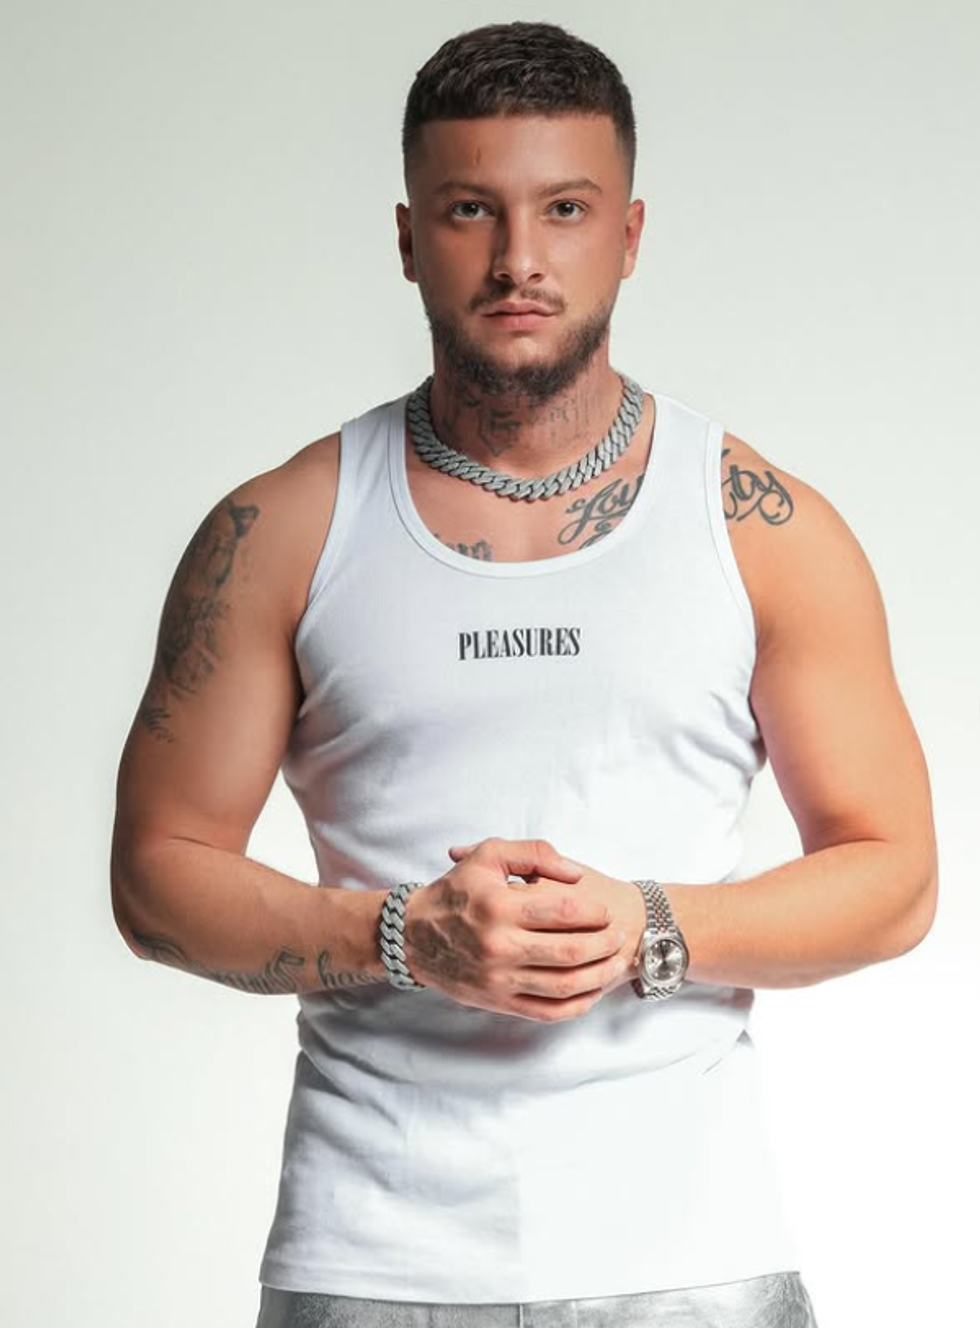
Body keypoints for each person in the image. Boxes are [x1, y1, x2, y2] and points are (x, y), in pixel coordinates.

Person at [110, 20, 937, 1328]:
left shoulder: (760, 527)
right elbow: (157, 872)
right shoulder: (281, 532)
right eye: (469, 211)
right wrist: (401, 935)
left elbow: (896, 876)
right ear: (407, 238)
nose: (518, 260)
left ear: (630, 233)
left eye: (564, 208)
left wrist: (652, 926)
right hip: (371, 1261)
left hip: (692, 1258)